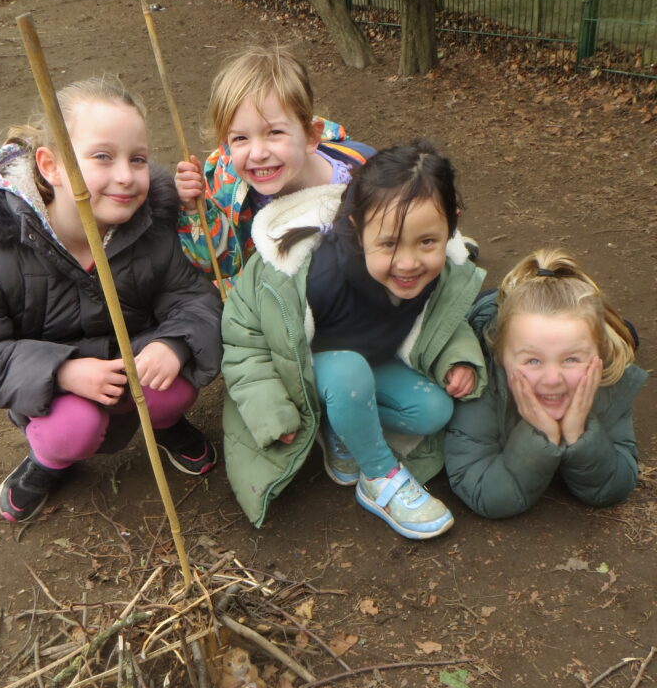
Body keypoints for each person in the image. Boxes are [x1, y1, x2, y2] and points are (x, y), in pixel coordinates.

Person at [0, 77, 223, 524]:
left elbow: (194, 298)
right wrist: (62, 370)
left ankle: (166, 425)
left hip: (136, 369)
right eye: (103, 157)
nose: (126, 176)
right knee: (73, 429)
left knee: (174, 386)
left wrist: (175, 345)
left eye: (139, 159)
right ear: (50, 165)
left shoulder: (150, 228)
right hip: (58, 394)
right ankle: (49, 460)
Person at [222, 139, 487, 539]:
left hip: (373, 368)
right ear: (357, 226)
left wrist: (459, 358)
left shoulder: (443, 269)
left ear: (452, 224)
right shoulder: (313, 276)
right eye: (388, 244)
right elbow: (245, 338)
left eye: (427, 242)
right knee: (347, 371)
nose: (409, 262)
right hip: (308, 377)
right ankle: (380, 476)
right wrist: (269, 408)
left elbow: (443, 320)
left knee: (433, 409)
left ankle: (344, 428)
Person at [444, 250, 646, 518]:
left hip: (562, 317)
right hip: (492, 310)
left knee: (625, 334)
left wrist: (579, 432)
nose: (553, 380)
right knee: (491, 312)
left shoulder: (603, 378)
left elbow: (615, 485)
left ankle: (615, 329)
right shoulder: (484, 384)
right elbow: (484, 493)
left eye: (571, 359)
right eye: (533, 362)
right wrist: (540, 434)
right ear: (500, 358)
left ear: (598, 356)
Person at [174, 45, 374, 285]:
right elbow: (218, 265)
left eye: (275, 132)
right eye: (240, 138)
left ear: (311, 136)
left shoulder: (362, 178)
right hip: (267, 308)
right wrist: (195, 211)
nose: (257, 154)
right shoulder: (228, 188)